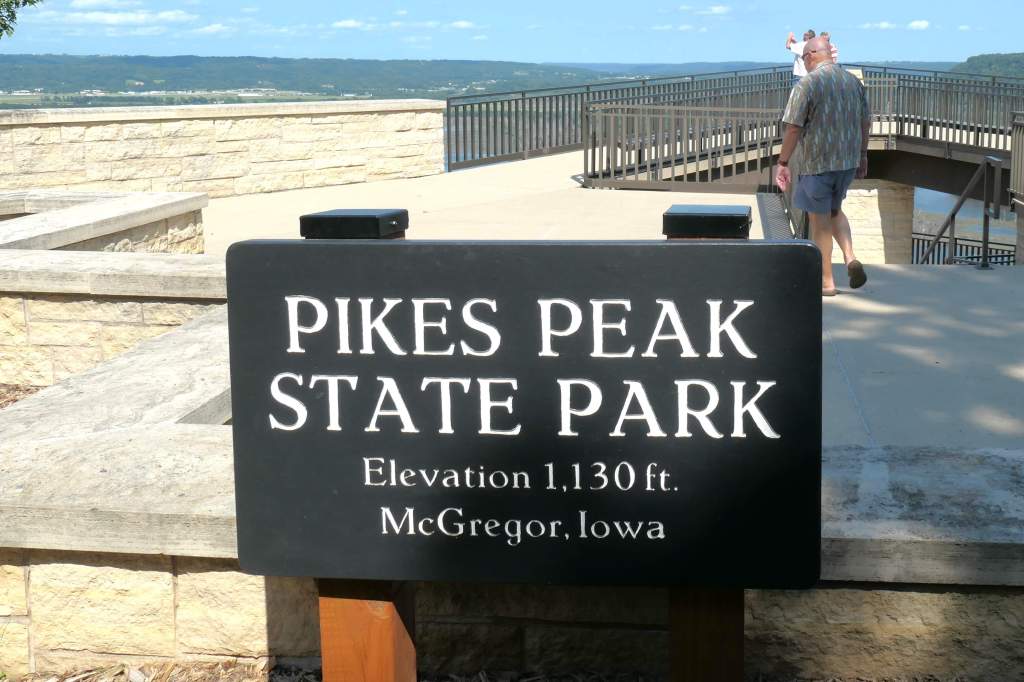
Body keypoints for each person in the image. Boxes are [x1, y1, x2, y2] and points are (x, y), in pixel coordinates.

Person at [775, 36, 871, 296]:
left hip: (818, 163)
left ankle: (826, 282)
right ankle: (850, 257)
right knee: (834, 210)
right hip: (847, 162)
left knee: (819, 222)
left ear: (810, 56)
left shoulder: (807, 84)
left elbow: (793, 127)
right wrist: (863, 155)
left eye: (804, 58)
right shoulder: (853, 82)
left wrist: (783, 162)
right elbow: (865, 121)